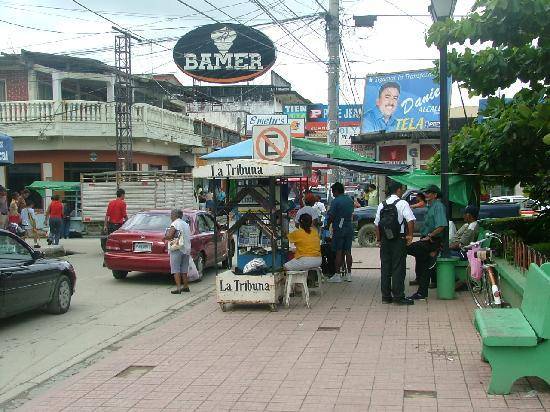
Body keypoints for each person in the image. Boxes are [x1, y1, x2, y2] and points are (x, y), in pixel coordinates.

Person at [374, 182, 416, 305]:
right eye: (402, 189)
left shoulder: (382, 205)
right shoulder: (402, 203)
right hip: (398, 239)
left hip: (385, 240)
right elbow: (410, 220)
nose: (402, 191)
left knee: (385, 267)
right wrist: (410, 236)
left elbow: (377, 224)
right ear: (398, 190)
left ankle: (386, 296)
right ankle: (398, 296)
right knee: (398, 267)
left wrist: (379, 240)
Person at [407, 185, 448, 300]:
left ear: (435, 195)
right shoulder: (430, 206)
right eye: (426, 192)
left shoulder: (438, 206)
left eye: (429, 192)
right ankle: (421, 293)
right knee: (424, 266)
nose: (426, 194)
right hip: (426, 239)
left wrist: (430, 235)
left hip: (431, 240)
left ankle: (421, 292)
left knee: (406, 248)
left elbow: (441, 226)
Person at [325, 182, 354, 283]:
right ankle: (349, 274)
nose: (332, 194)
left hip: (339, 228)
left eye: (333, 192)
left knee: (339, 251)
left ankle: (337, 275)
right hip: (349, 227)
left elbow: (331, 216)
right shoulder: (350, 200)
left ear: (336, 191)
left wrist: (327, 226)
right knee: (348, 251)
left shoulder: (336, 201)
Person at [164, 209, 191, 294]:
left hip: (177, 248)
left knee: (175, 269)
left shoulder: (175, 223)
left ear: (175, 215)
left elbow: (170, 235)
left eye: (171, 215)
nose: (170, 216)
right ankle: (186, 286)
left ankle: (178, 288)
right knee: (184, 269)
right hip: (186, 248)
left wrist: (165, 237)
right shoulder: (185, 224)